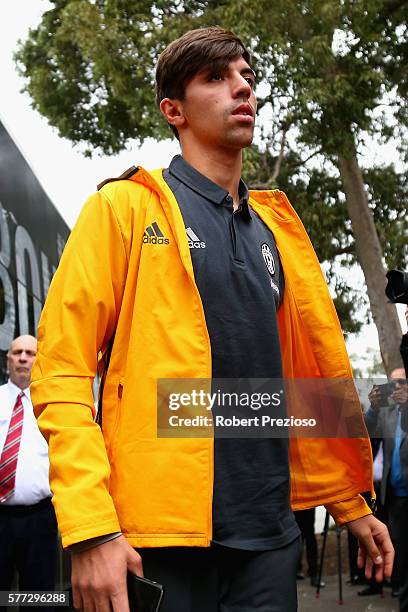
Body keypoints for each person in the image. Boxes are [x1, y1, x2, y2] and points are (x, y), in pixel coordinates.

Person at [31, 27, 393, 612]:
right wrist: (92, 527)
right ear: (173, 110)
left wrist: (350, 502)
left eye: (247, 76)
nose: (242, 88)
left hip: (272, 539)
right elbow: (63, 373)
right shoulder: (122, 209)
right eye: (216, 78)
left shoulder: (278, 233)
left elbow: (292, 387)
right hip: (157, 540)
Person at [0, 335, 58, 607]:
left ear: (38, 360)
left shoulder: (54, 406)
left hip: (40, 518)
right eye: (17, 352)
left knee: (38, 598)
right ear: (8, 359)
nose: (23, 357)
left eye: (30, 353)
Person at [365, 368, 408, 610]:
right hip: (397, 500)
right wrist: (373, 407)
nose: (398, 388)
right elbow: (365, 430)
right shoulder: (388, 415)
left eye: (403, 382)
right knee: (401, 558)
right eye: (393, 384)